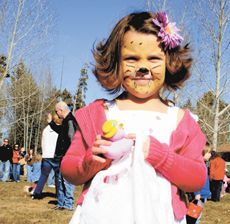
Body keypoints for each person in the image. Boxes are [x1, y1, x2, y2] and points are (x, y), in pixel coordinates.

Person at [61, 11, 207, 224]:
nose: (142, 67)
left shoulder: (180, 120)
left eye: (154, 58)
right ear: (116, 63)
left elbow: (196, 178)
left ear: (170, 63)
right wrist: (89, 163)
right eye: (131, 58)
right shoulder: (99, 114)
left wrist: (164, 158)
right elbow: (68, 169)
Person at [47, 101, 78, 210]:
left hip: (67, 157)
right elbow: (60, 131)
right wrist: (51, 123)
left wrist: (70, 155)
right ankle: (61, 204)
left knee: (67, 181)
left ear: (60, 110)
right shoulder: (66, 121)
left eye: (56, 111)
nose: (56, 113)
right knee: (59, 180)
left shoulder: (70, 121)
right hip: (62, 156)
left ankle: (68, 205)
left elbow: (72, 139)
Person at [31, 113, 62, 199]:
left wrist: (44, 153)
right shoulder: (59, 130)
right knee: (58, 177)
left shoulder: (45, 130)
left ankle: (36, 194)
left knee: (43, 176)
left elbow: (43, 142)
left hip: (46, 156)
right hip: (55, 155)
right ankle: (59, 195)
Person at [186, 144, 211, 224]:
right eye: (209, 152)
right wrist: (197, 193)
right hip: (198, 196)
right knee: (194, 216)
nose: (210, 154)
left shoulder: (203, 164)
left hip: (202, 195)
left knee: (198, 215)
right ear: (203, 152)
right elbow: (194, 179)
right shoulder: (198, 164)